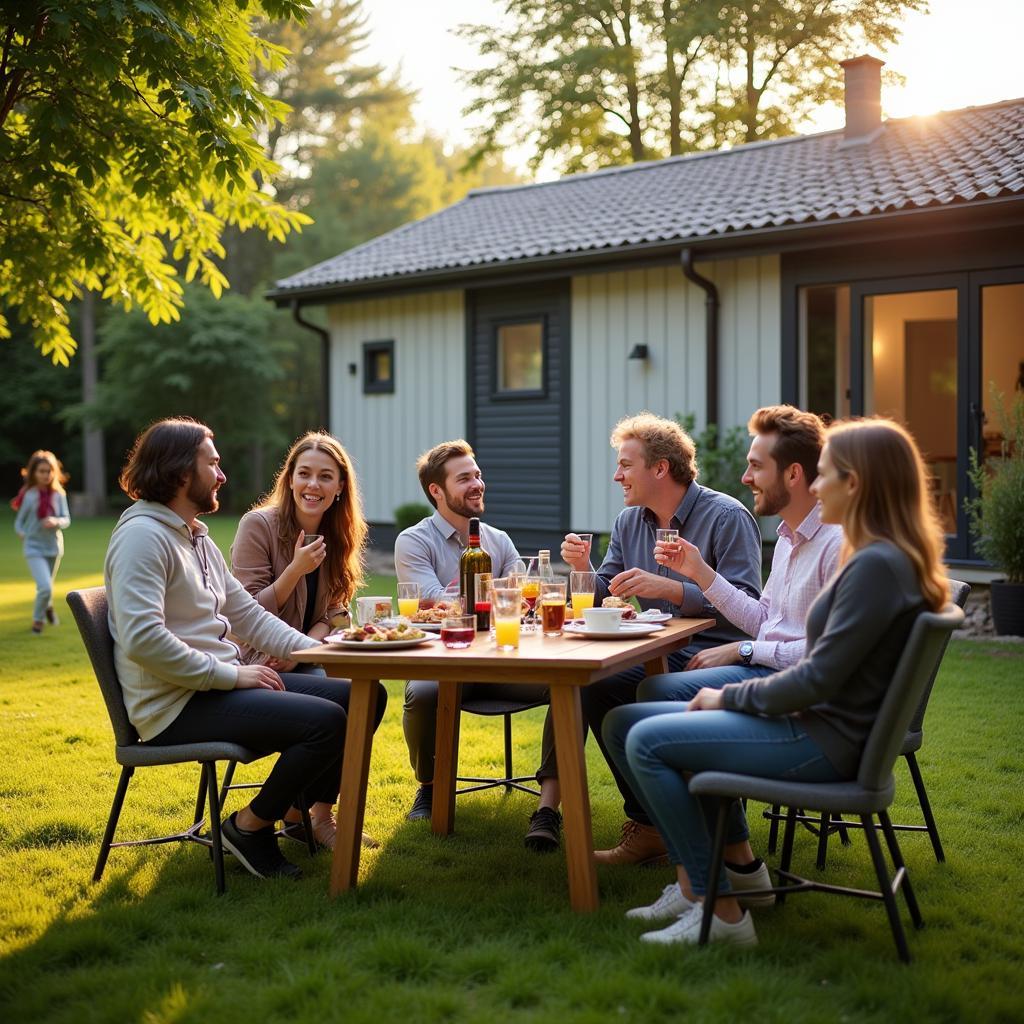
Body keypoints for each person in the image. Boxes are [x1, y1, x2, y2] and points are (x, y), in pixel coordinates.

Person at [603, 417, 950, 946]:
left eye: (826, 474)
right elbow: (786, 638)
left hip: (823, 736)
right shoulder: (876, 554)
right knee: (627, 718)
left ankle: (720, 910)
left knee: (646, 739)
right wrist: (702, 577)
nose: (816, 485)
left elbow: (816, 677)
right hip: (819, 721)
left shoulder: (872, 563)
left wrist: (727, 695)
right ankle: (731, 879)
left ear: (853, 484)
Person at [104, 417, 386, 881]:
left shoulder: (194, 536)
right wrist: (234, 676)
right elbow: (143, 639)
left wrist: (332, 655)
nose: (222, 475)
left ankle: (295, 820)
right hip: (174, 704)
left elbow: (250, 617)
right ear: (179, 473)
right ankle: (248, 826)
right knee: (328, 722)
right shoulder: (143, 537)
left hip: (210, 689)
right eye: (212, 464)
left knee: (363, 695)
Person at [560, 412, 762, 865]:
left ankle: (679, 826)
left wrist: (672, 589)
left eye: (626, 465)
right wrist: (581, 569)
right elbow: (604, 591)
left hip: (714, 654)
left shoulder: (727, 517)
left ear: (660, 468)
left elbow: (750, 606)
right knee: (595, 683)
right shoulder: (630, 522)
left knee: (622, 686)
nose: (617, 475)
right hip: (650, 649)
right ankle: (652, 823)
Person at [394, 439, 562, 851]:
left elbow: (526, 600)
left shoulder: (498, 540)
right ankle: (430, 787)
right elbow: (438, 604)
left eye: (478, 475)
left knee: (570, 686)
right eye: (465, 478)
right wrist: (495, 594)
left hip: (506, 664)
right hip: (448, 664)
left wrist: (499, 597)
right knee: (421, 693)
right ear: (437, 490)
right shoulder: (414, 541)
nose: (478, 484)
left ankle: (547, 808)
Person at [230, 431, 377, 850]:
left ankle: (309, 816)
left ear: (340, 486)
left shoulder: (339, 531)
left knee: (367, 693)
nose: (314, 485)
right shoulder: (258, 525)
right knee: (351, 699)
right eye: (305, 474)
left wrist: (304, 647)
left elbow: (337, 612)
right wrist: (294, 569)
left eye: (325, 477)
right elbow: (245, 612)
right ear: (290, 479)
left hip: (299, 658)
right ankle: (268, 819)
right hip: (255, 662)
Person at [12, 450, 71, 634]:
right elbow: (18, 522)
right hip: (33, 547)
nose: (46, 475)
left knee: (47, 587)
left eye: (49, 471)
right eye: (41, 471)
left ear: (54, 472)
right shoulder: (28, 495)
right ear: (33, 473)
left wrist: (56, 521)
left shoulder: (59, 494)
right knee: (45, 587)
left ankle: (49, 607)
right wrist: (21, 532)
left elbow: (66, 519)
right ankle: (38, 622)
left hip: (54, 547)